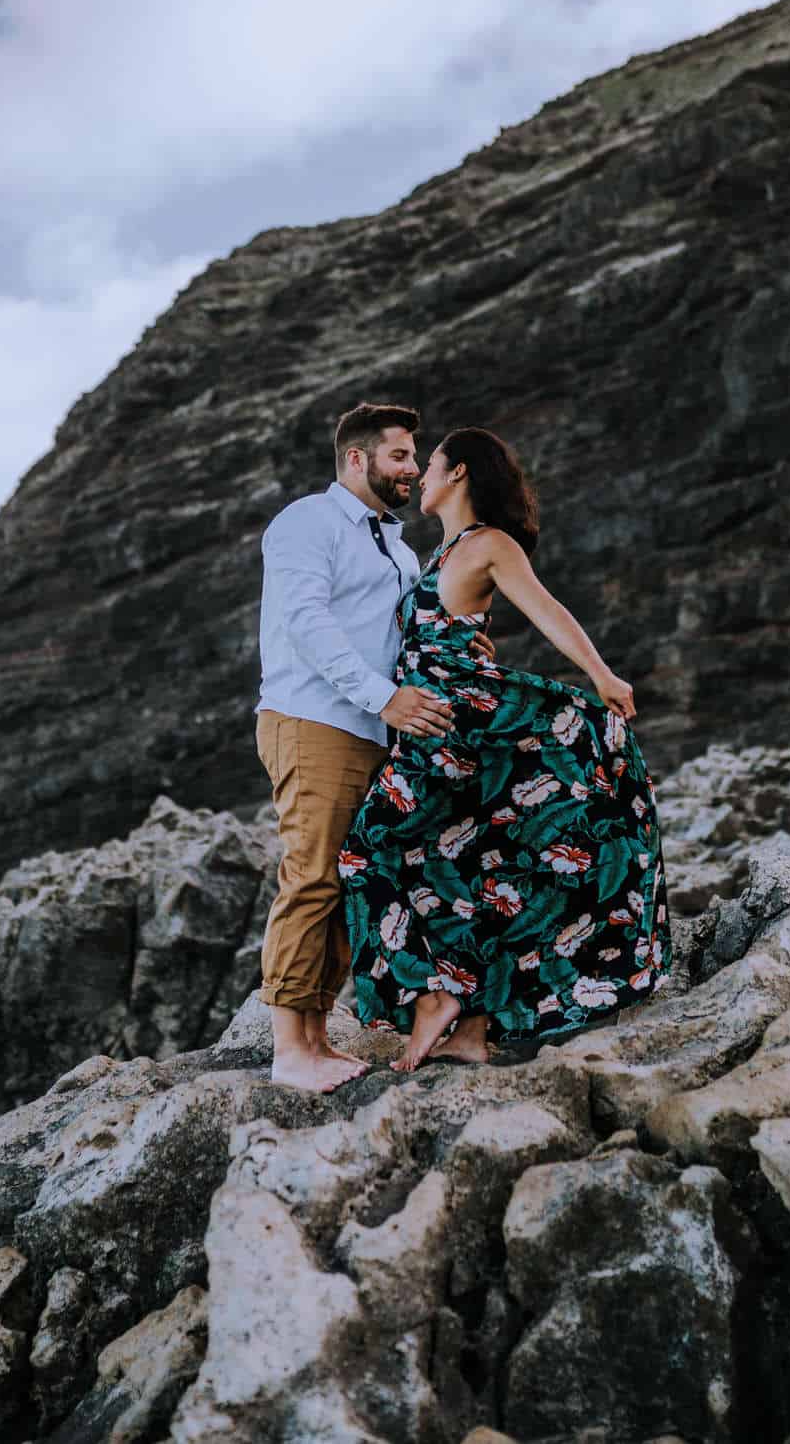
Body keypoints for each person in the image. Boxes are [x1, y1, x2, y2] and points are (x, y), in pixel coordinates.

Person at [342, 426, 667, 1071]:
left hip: (457, 722)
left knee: (365, 853)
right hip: (434, 726)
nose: (421, 475)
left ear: (459, 472)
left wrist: (601, 676)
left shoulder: (489, 543)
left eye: (431, 463)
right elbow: (433, 634)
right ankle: (472, 1026)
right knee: (475, 870)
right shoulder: (439, 554)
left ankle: (435, 995)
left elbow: (547, 610)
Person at [253, 402, 495, 1091]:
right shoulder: (308, 521)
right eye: (399, 456)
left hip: (370, 729)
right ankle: (288, 1050)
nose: (412, 468)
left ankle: (317, 1036)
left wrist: (462, 646)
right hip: (313, 718)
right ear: (356, 459)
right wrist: (382, 697)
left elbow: (404, 637)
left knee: (347, 879)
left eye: (415, 458)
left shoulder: (398, 549)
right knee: (311, 876)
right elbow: (306, 620)